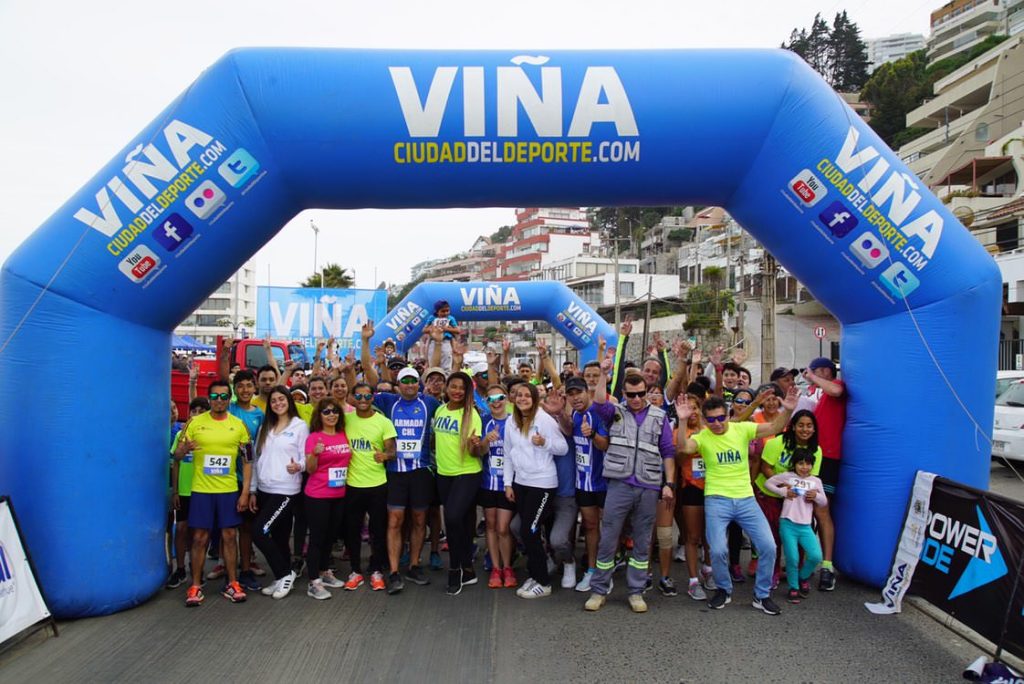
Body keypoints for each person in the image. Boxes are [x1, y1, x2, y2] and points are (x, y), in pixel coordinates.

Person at [676, 388, 797, 616]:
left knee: (769, 546)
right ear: (704, 419)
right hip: (716, 500)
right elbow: (683, 448)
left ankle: (761, 595)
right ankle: (723, 589)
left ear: (727, 414)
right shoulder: (702, 437)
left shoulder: (742, 429)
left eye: (721, 417)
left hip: (745, 499)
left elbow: (774, 427)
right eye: (711, 419)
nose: (717, 423)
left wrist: (788, 409)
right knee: (718, 550)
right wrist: (682, 421)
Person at [584, 369, 676, 614]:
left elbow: (667, 451)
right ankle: (599, 590)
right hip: (619, 484)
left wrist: (669, 484)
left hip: (648, 485)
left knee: (642, 541)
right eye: (632, 394)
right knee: (608, 538)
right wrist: (604, 374)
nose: (637, 398)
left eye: (641, 394)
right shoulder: (614, 412)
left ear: (647, 392)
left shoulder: (659, 416)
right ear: (623, 393)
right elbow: (599, 401)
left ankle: (636, 591)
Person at [174, 378, 253, 607]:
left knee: (229, 536)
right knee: (199, 538)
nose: (219, 400)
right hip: (201, 490)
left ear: (230, 399)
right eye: (215, 396)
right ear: (209, 398)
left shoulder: (239, 424)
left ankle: (233, 583)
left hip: (228, 490)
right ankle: (196, 585)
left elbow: (248, 460)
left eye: (224, 396)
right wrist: (183, 449)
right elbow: (177, 456)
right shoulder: (194, 422)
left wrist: (245, 491)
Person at [373, 367, 440, 594]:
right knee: (395, 520)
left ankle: (414, 565)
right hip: (395, 471)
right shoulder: (389, 401)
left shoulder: (429, 403)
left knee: (420, 519)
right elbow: (367, 383)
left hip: (421, 470)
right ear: (398, 384)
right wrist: (366, 345)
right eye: (405, 381)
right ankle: (393, 571)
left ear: (418, 384)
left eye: (413, 381)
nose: (409, 385)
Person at [502, 382, 569, 599]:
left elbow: (562, 447)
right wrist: (508, 483)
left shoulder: (544, 420)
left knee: (529, 531)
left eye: (527, 396)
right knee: (527, 531)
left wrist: (545, 442)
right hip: (521, 483)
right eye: (518, 395)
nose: (522, 399)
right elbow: (508, 453)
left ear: (534, 398)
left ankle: (544, 582)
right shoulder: (511, 422)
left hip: (542, 483)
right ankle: (535, 573)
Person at [251, 386, 308, 599]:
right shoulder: (266, 426)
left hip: (286, 490)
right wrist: (253, 490)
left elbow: (306, 456)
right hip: (265, 488)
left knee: (260, 531)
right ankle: (281, 577)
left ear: (289, 401)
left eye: (281, 399)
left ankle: (285, 574)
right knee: (279, 536)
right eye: (273, 400)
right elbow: (257, 459)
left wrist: (299, 467)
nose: (277, 403)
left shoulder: (300, 426)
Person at [343, 382, 397, 592]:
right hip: (352, 484)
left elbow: (393, 452)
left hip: (377, 484)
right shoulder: (345, 421)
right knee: (352, 530)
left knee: (377, 530)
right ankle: (355, 570)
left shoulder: (383, 422)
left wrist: (385, 455)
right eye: (359, 396)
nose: (363, 400)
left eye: (367, 397)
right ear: (353, 398)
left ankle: (376, 570)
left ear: (373, 398)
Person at [433, 372, 483, 595]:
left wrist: (474, 444)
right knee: (458, 522)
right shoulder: (440, 410)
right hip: (444, 474)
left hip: (467, 473)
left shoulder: (471, 415)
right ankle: (468, 568)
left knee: (451, 518)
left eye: (461, 388)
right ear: (446, 388)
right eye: (453, 386)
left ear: (467, 391)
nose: (456, 391)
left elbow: (476, 451)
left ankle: (455, 569)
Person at [304, 397, 352, 600]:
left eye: (334, 411)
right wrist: (314, 454)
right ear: (319, 416)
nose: (331, 414)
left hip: (339, 494)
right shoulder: (314, 437)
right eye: (326, 412)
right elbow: (310, 469)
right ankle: (313, 581)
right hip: (318, 495)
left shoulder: (343, 435)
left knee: (330, 537)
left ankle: (324, 571)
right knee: (317, 538)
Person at [803, 357, 845, 591]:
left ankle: (827, 567)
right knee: (804, 510)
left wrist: (814, 377)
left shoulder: (837, 386)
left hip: (829, 458)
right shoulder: (818, 396)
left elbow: (837, 391)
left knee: (822, 510)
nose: (814, 374)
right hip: (811, 457)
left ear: (828, 372)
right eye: (813, 371)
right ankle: (807, 563)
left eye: (819, 370)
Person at [765, 448, 827, 604]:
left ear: (812, 466)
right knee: (792, 558)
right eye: (800, 463)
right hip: (787, 523)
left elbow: (824, 501)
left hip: (805, 526)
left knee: (816, 556)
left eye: (808, 464)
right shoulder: (788, 477)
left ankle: (802, 577)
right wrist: (783, 492)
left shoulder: (816, 481)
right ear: (794, 464)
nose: (804, 467)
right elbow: (768, 483)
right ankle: (793, 587)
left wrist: (816, 496)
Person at [564, 376, 608, 593]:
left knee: (609, 528)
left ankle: (605, 570)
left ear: (587, 392)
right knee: (590, 527)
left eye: (578, 393)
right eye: (570, 394)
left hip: (605, 483)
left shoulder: (598, 414)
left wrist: (592, 436)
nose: (575, 398)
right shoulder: (573, 415)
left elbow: (605, 445)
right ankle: (591, 570)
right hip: (583, 483)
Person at [166, 396, 210, 589]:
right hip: (183, 491)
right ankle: (181, 569)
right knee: (182, 529)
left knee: (199, 532)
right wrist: (175, 491)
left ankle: (197, 567)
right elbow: (175, 461)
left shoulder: (212, 436)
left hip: (204, 490)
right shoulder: (181, 435)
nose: (197, 415)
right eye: (194, 411)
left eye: (202, 411)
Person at [675, 393, 715, 600]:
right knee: (692, 536)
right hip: (691, 487)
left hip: (714, 488)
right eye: (687, 408)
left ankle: (708, 569)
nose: (691, 412)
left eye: (695, 407)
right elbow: (680, 456)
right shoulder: (679, 432)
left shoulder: (711, 431)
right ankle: (692, 580)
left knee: (711, 536)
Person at [479, 385, 516, 589]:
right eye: (491, 398)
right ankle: (496, 567)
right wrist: (485, 441)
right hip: (488, 483)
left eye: (500, 397)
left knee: (504, 528)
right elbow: (478, 452)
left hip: (508, 484)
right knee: (491, 527)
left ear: (506, 399)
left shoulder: (514, 421)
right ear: (486, 401)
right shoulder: (484, 421)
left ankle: (508, 566)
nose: (496, 402)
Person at [424, 300, 459, 371]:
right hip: (433, 342)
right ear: (437, 311)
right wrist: (433, 328)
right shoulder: (432, 318)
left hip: (446, 341)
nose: (446, 313)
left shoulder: (450, 318)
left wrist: (446, 329)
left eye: (447, 311)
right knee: (433, 366)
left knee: (446, 366)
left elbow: (457, 330)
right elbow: (424, 330)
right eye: (443, 311)